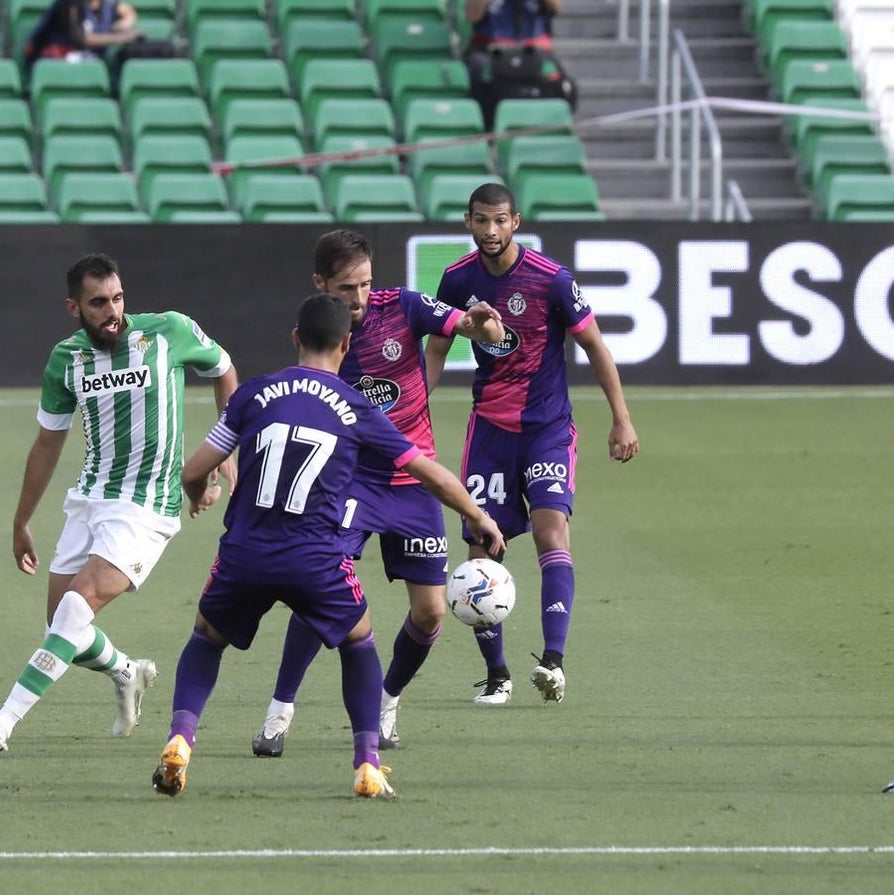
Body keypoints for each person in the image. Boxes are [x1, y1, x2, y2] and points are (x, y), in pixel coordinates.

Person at [151, 293, 505, 799]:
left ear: (295, 338)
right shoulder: (355, 406)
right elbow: (426, 472)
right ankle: (367, 763)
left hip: (245, 552)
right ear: (345, 344)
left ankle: (181, 741)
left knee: (207, 639)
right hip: (315, 558)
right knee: (358, 642)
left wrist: (199, 494)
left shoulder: (252, 394)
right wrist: (478, 515)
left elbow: (193, 470)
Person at [251, 230, 506, 758]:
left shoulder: (404, 306)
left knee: (432, 612)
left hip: (413, 484)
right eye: (346, 288)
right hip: (348, 480)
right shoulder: (319, 333)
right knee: (317, 590)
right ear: (320, 284)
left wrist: (482, 324)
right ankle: (279, 713)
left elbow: (464, 323)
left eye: (366, 283)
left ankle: (387, 701)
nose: (360, 298)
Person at [0, 252, 237, 754]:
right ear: (74, 307)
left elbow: (224, 370)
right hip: (91, 497)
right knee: (61, 626)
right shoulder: (65, 359)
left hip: (145, 506)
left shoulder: (168, 332)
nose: (112, 310)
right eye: (98, 303)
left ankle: (3, 721)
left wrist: (225, 444)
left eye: (117, 298)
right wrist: (21, 520)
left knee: (75, 609)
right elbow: (47, 443)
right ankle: (127, 672)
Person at [426, 182, 639, 707]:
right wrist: (414, 411)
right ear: (468, 222)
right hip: (490, 432)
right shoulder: (457, 278)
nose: (490, 230)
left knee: (550, 530)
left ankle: (554, 662)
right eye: (481, 220)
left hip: (546, 429)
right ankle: (497, 674)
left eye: (500, 220)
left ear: (515, 222)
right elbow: (436, 349)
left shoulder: (552, 280)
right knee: (481, 547)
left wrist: (622, 420)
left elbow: (595, 346)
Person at [463, 0, 577, 131]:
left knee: (565, 84)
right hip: (489, 48)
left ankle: (555, 130)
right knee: (477, 73)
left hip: (534, 49)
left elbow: (556, 7)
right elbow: (472, 15)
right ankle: (485, 130)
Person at [24, 0, 172, 79]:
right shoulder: (70, 4)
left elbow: (127, 10)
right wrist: (121, 37)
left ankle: (172, 50)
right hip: (59, 56)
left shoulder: (105, 5)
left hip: (92, 61)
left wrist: (125, 22)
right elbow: (81, 39)